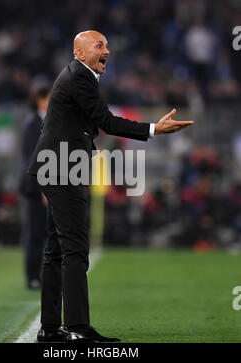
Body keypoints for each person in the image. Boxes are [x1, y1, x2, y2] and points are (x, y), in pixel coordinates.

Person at [27, 30, 194, 342]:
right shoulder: (80, 76)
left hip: (58, 165)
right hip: (62, 167)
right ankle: (77, 329)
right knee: (74, 248)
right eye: (99, 45)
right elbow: (106, 120)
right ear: (79, 53)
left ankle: (50, 329)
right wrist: (153, 128)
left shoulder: (78, 75)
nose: (108, 50)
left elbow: (86, 122)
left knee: (55, 251)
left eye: (107, 45)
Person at [19, 82, 51, 290]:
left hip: (44, 185)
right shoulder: (33, 123)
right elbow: (35, 158)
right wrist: (43, 188)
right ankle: (32, 277)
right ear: (40, 99)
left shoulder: (44, 120)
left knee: (45, 233)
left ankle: (41, 275)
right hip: (36, 187)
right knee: (35, 233)